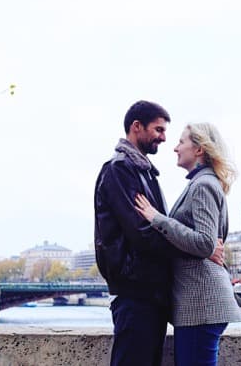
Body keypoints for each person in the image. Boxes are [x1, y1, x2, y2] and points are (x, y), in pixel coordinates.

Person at [133, 122, 241, 366]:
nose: (175, 148)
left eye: (181, 142)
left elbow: (205, 243)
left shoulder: (203, 184)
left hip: (201, 305)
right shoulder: (204, 182)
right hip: (200, 305)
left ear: (199, 150)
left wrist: (156, 218)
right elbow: (209, 243)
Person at [94, 100, 176, 366]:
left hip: (147, 294)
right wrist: (192, 246)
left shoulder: (142, 172)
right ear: (136, 127)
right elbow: (143, 233)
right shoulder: (120, 170)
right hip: (136, 293)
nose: (164, 138)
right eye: (158, 130)